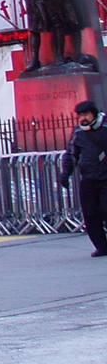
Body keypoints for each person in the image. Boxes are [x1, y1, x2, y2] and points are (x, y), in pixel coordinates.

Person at [60, 100, 107, 256]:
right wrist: (66, 173)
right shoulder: (79, 132)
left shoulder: (105, 127)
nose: (83, 118)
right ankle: (101, 246)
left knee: (105, 209)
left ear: (94, 113)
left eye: (86, 114)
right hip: (88, 178)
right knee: (90, 214)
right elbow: (72, 154)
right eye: (80, 115)